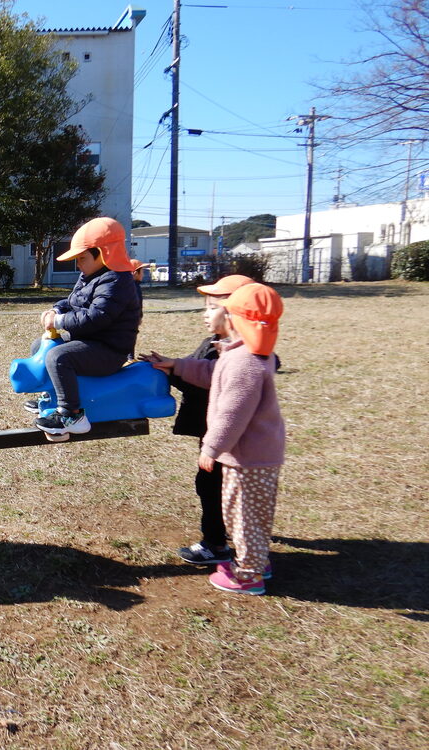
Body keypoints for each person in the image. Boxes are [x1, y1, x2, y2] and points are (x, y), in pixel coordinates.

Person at [145, 283, 285, 595]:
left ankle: (248, 576)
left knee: (243, 515)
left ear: (234, 318)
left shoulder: (243, 363)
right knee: (254, 513)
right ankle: (258, 562)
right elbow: (210, 374)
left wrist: (211, 448)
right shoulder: (244, 354)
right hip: (259, 454)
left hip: (246, 456)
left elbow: (231, 414)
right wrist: (178, 365)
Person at [25, 217, 142, 438]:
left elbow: (97, 317)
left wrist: (59, 322)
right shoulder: (89, 276)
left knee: (59, 357)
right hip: (90, 341)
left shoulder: (117, 281)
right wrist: (56, 310)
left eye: (82, 258)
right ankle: (51, 395)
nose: (78, 264)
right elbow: (72, 301)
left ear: (104, 253)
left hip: (109, 350)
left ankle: (72, 415)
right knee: (40, 345)